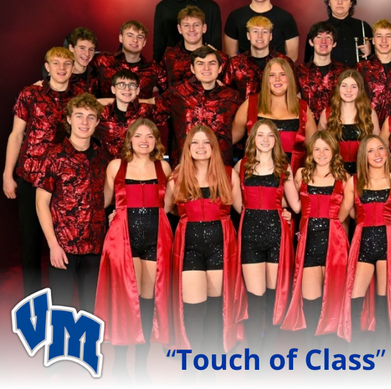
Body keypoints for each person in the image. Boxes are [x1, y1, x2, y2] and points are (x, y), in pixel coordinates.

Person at [95, 118, 173, 382]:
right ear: (129, 139)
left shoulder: (163, 166)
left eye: (149, 136)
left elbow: (170, 205)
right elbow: (105, 200)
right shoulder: (116, 166)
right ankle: (118, 364)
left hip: (156, 236)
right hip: (122, 237)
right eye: (138, 136)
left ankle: (141, 364)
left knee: (147, 298)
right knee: (123, 298)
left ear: (155, 141)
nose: (144, 140)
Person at [166, 126, 246, 354]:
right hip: (189, 248)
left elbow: (243, 209)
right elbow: (164, 210)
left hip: (220, 247)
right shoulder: (177, 176)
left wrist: (281, 212)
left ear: (213, 147)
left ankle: (210, 361)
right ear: (188, 148)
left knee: (214, 309)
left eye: (206, 142)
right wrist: (119, 212)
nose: (200, 147)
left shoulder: (229, 174)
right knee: (193, 309)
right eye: (195, 143)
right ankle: (193, 363)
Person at [4, 47, 76, 296]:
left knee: (63, 238)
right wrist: (7, 174)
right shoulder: (30, 94)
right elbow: (16, 135)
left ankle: (63, 297)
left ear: (73, 67)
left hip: (64, 180)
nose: (61, 68)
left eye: (67, 64)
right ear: (47, 66)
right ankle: (32, 300)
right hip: (30, 175)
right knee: (31, 240)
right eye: (56, 63)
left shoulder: (79, 96)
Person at [35, 94, 108, 311]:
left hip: (94, 246)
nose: (84, 122)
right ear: (68, 119)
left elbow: (106, 195)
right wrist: (53, 245)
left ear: (97, 122)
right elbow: (41, 204)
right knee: (61, 310)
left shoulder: (102, 155)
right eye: (79, 116)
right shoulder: (54, 156)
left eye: (90, 117)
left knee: (91, 310)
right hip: (63, 246)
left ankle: (90, 347)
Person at [236, 121, 302, 353]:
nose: (265, 139)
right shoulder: (241, 167)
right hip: (250, 238)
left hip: (277, 236)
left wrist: (311, 182)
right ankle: (255, 355)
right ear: (253, 138)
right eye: (260, 135)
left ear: (276, 140)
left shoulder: (284, 167)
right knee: (256, 299)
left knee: (274, 298)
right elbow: (236, 204)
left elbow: (295, 204)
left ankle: (269, 353)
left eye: (270, 136)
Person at [340, 136, 391, 344]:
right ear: (364, 155)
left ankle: (382, 355)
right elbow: (340, 216)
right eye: (371, 151)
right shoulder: (354, 182)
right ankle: (354, 351)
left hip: (389, 245)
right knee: (355, 299)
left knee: (383, 302)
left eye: (381, 148)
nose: (377, 154)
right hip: (363, 243)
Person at [281, 132, 350, 344]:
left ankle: (330, 356)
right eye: (317, 149)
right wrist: (284, 211)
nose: (321, 153)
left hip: (335, 243)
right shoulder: (303, 173)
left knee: (333, 300)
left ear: (334, 152)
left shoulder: (344, 177)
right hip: (309, 242)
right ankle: (314, 352)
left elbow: (348, 213)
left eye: (326, 149)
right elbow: (297, 206)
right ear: (311, 152)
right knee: (311, 302)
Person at [151, 46, 243, 163]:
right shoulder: (178, 92)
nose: (206, 68)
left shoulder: (233, 97)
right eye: (200, 63)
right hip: (184, 164)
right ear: (192, 68)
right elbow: (151, 107)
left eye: (212, 63)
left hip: (220, 165)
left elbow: (244, 127)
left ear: (220, 68)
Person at [232, 58, 317, 171]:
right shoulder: (250, 104)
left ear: (290, 78)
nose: (277, 79)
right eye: (272, 75)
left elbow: (316, 147)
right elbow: (229, 140)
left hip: (292, 178)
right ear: (266, 79)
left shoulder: (302, 108)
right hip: (254, 179)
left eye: (282, 74)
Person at [224, 0, 299, 60]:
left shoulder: (286, 18)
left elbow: (292, 57)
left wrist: (274, 73)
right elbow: (232, 56)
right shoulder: (235, 16)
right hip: (244, 73)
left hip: (276, 72)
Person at [322, 69, 380, 174]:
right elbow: (320, 144)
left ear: (360, 89)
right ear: (338, 88)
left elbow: (377, 145)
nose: (348, 90)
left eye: (353, 86)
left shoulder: (369, 114)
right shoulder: (327, 114)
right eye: (344, 86)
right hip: (335, 172)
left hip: (363, 171)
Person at [95, 70, 162, 159]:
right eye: (121, 85)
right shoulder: (102, 113)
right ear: (113, 89)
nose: (127, 89)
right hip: (108, 167)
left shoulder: (147, 111)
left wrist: (145, 101)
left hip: (139, 166)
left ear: (137, 90)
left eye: (131, 85)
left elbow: (169, 101)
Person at [222, 15, 292, 99]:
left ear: (270, 36)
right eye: (255, 31)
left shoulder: (285, 61)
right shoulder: (234, 63)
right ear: (248, 35)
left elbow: (294, 92)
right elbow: (227, 93)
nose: (260, 36)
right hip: (244, 110)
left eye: (264, 32)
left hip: (277, 110)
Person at [94, 21, 168, 97]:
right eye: (130, 35)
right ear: (121, 38)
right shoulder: (102, 60)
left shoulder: (154, 69)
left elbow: (169, 93)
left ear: (144, 42)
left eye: (140, 37)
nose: (135, 40)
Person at [306, 0, 373, 66]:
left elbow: (376, 60)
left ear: (351, 3)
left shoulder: (363, 27)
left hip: (358, 77)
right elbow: (308, 61)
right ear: (329, 2)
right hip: (328, 78)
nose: (340, 2)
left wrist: (370, 51)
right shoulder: (317, 29)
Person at [162, 6, 227, 86]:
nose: (191, 29)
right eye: (186, 25)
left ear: (204, 28)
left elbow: (227, 89)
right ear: (179, 29)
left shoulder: (220, 57)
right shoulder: (169, 55)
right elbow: (162, 85)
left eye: (196, 25)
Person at [295, 21, 346, 120]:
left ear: (334, 43)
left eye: (328, 38)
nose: (323, 42)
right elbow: (295, 100)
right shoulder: (299, 71)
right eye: (319, 37)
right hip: (308, 128)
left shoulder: (344, 71)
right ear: (311, 42)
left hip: (337, 126)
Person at [67, 27, 100, 95]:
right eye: (82, 48)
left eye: (91, 49)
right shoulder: (63, 76)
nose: (87, 54)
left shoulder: (96, 73)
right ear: (71, 48)